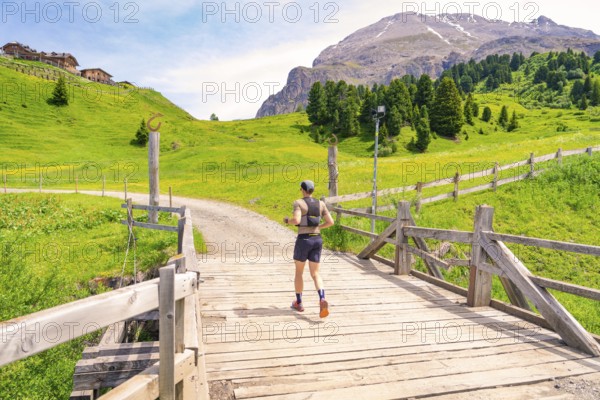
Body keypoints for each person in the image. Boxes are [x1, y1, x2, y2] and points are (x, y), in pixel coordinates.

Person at [284, 180, 334, 318]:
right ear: (312, 190)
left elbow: (297, 221)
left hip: (304, 240)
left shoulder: (298, 203)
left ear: (302, 190)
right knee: (315, 274)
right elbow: (330, 222)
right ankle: (322, 298)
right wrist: (319, 228)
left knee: (299, 272)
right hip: (317, 240)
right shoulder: (321, 203)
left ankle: (299, 302)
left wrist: (287, 220)